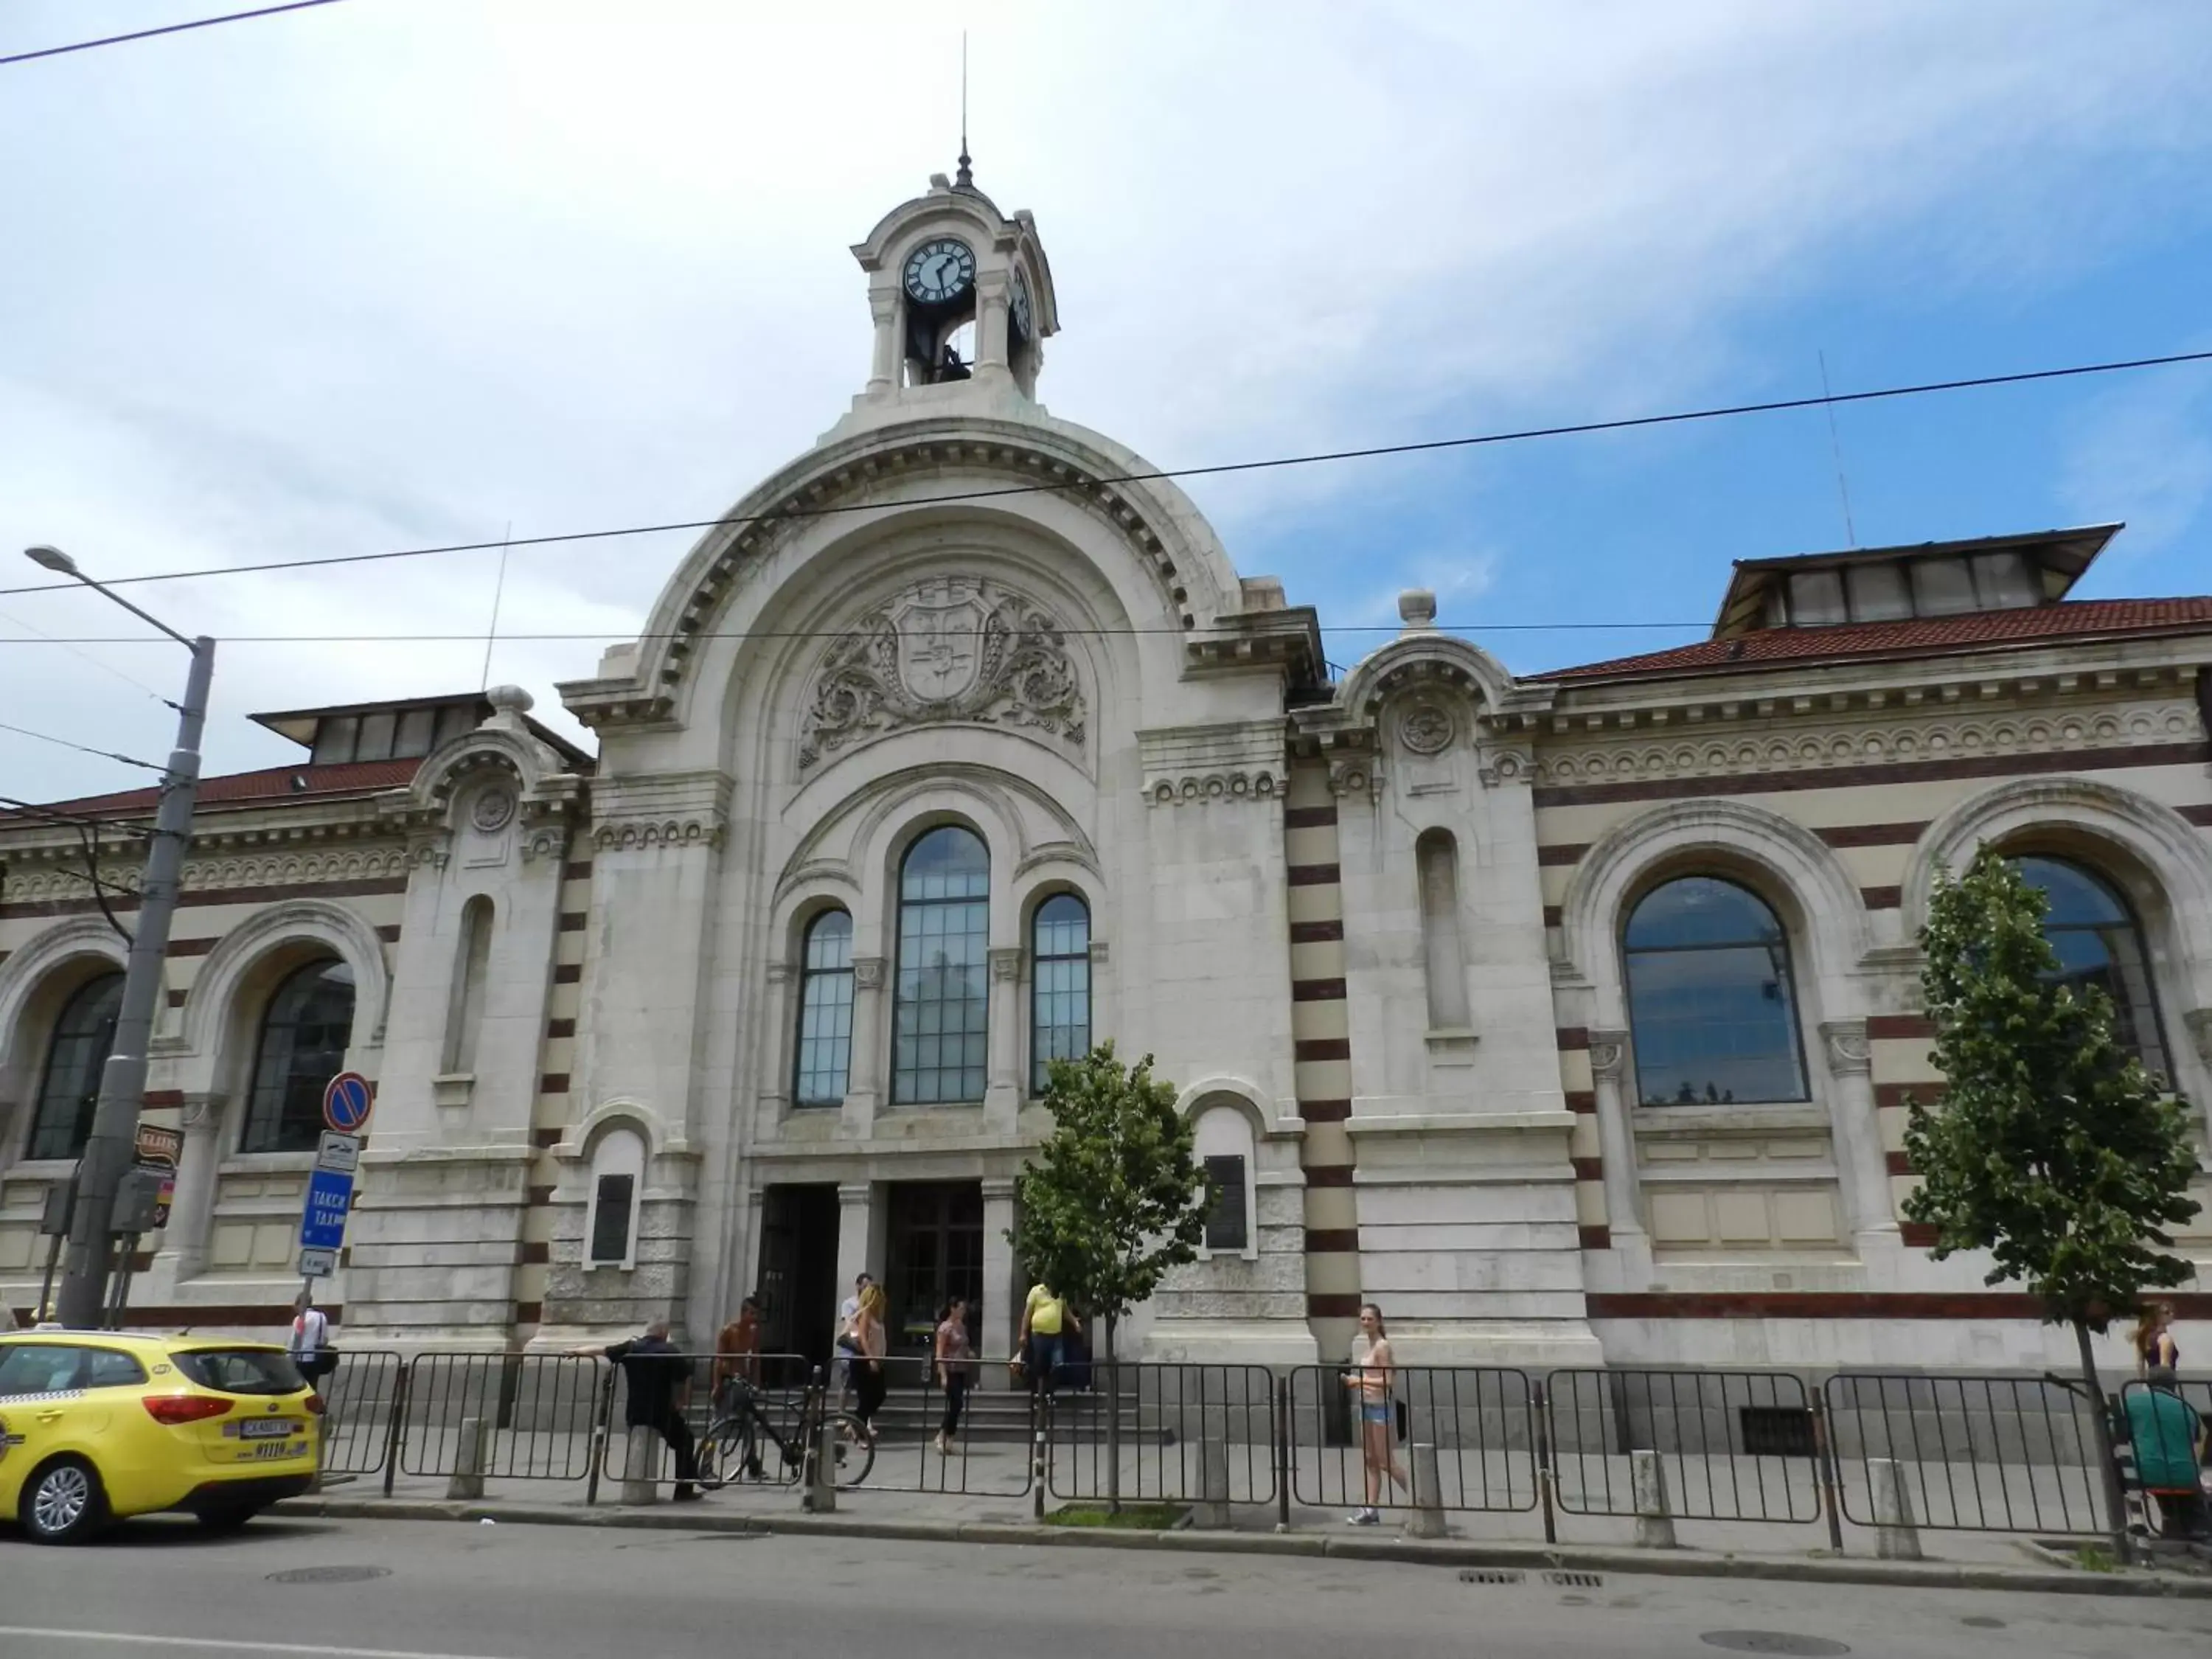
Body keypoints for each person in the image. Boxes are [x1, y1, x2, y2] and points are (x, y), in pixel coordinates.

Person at [577, 1321, 700, 1501]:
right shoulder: (669, 1350)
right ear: (663, 1333)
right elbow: (686, 1376)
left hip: (636, 1411)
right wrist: (682, 1400)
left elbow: (601, 1350)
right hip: (661, 1411)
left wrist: (576, 1351)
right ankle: (683, 1490)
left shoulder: (631, 1347)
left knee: (673, 1439)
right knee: (686, 1441)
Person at [1341, 1301, 1406, 1526]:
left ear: (1379, 1321)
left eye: (1370, 1319)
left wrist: (1358, 1380)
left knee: (1387, 1462)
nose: (1366, 1322)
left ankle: (1423, 1500)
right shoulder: (1369, 1345)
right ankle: (1371, 1509)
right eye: (1363, 1319)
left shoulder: (1382, 1346)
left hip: (1381, 1407)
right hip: (1366, 1406)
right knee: (1370, 1460)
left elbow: (1388, 1380)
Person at [2125, 1365, 2208, 1540]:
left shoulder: (2133, 1402)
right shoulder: (2187, 1408)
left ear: (2147, 1383)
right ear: (2174, 1386)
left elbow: (2115, 1435)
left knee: (2120, 1470)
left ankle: (2136, 1521)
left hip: (2145, 1471)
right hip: (2186, 1475)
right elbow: (2198, 1438)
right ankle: (2183, 1529)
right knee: (2182, 1495)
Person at [712, 1296, 766, 1480]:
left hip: (743, 1382)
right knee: (717, 1424)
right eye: (752, 1313)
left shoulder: (754, 1332)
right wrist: (718, 1385)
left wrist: (756, 1384)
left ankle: (753, 1466)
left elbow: (756, 1359)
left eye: (757, 1314)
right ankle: (705, 1464)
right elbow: (719, 1360)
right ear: (743, 1313)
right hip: (728, 1381)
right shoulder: (729, 1331)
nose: (754, 1318)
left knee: (749, 1424)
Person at [1018, 1280, 1080, 1399]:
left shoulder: (1060, 1294)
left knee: (1058, 1365)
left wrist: (1075, 1322)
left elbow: (1065, 1311)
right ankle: (1040, 1396)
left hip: (1055, 1335)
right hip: (1039, 1335)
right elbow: (1027, 1314)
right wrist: (1023, 1334)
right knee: (1041, 1366)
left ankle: (1050, 1393)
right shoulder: (1036, 1291)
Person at [933, 1296, 976, 1455]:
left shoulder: (961, 1327)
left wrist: (969, 1353)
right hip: (950, 1370)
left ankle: (949, 1437)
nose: (963, 1312)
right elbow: (940, 1352)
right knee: (956, 1403)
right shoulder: (945, 1328)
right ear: (953, 1308)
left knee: (957, 1406)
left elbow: (964, 1345)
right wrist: (943, 1375)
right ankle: (942, 1434)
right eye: (961, 1309)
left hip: (961, 1369)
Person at [849, 1283, 888, 1442]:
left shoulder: (877, 1317)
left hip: (877, 1361)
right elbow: (863, 1338)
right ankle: (858, 1429)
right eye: (875, 1298)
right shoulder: (865, 1313)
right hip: (863, 1361)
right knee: (867, 1397)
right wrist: (870, 1358)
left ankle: (856, 1425)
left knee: (879, 1395)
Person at [288, 1288, 338, 1386]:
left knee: (301, 1387)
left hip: (302, 1359)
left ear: (300, 1304)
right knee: (313, 1385)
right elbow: (325, 1338)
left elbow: (295, 1340)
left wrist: (289, 1357)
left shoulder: (300, 1318)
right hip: (317, 1357)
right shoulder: (321, 1316)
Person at [834, 1272, 872, 1405]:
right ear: (858, 1286)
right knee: (846, 1382)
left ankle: (866, 1418)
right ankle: (841, 1414)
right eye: (865, 1286)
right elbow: (850, 1323)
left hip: (867, 1346)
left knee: (868, 1385)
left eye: (869, 1287)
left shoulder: (871, 1303)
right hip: (852, 1348)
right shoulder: (850, 1303)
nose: (867, 1289)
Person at [2134, 1302, 2181, 1375]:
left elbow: (2140, 1364)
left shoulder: (2146, 1337)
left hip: (2153, 1380)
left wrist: (2143, 1382)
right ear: (2158, 1316)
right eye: (2167, 1312)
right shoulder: (2164, 1338)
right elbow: (2165, 1366)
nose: (2172, 1314)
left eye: (2172, 1311)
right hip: (2164, 1381)